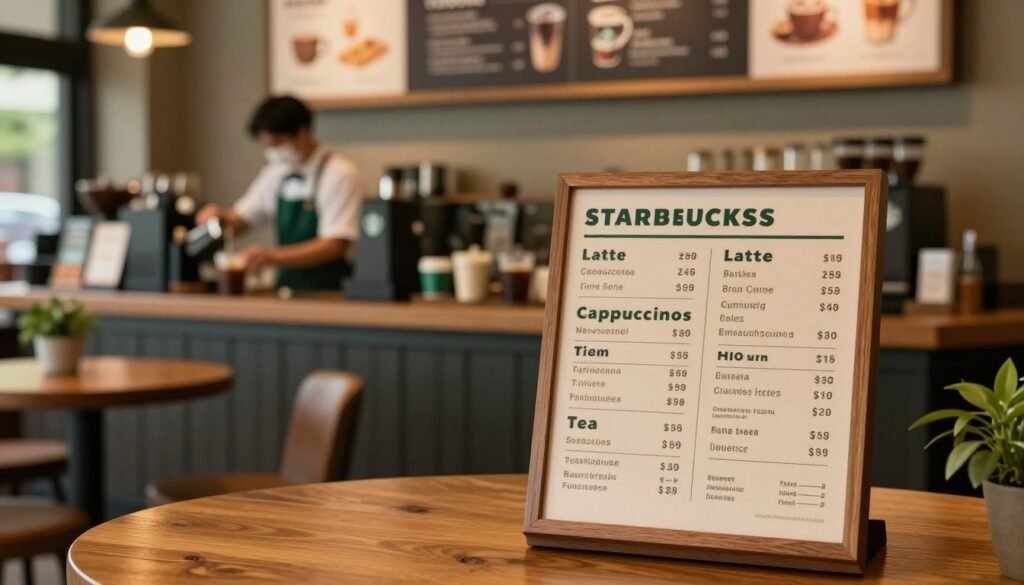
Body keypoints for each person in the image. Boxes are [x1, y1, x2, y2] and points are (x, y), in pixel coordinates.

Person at [196, 95, 362, 291]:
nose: (272, 151)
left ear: (302, 132)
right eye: (267, 145)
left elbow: (334, 245)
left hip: (331, 290)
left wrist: (271, 256)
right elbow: (242, 219)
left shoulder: (340, 175)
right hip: (285, 288)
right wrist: (220, 217)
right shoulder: (275, 173)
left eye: (277, 143)